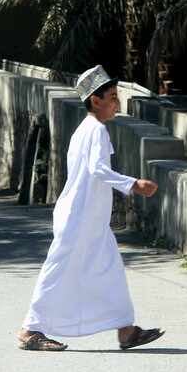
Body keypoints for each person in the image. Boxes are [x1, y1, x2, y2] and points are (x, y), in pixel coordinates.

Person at [17, 65, 165, 351]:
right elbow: (97, 169)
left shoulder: (87, 129)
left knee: (109, 271)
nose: (117, 103)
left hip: (90, 218)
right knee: (59, 270)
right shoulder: (95, 130)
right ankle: (29, 330)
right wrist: (133, 183)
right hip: (80, 217)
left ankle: (127, 330)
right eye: (112, 97)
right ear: (95, 101)